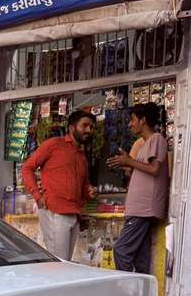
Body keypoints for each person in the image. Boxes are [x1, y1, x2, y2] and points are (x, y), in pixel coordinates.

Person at [21, 110, 97, 260]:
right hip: (55, 211)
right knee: (59, 263)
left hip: (74, 214)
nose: (89, 130)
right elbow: (27, 168)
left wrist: (90, 192)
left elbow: (84, 188)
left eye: (91, 127)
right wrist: (37, 195)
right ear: (72, 127)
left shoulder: (81, 156)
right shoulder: (53, 144)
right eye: (85, 126)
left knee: (64, 263)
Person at [107, 103, 169, 274]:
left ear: (143, 120)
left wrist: (129, 161)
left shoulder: (157, 139)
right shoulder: (143, 144)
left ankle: (129, 290)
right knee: (141, 259)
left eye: (132, 120)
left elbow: (154, 169)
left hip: (143, 209)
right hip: (138, 209)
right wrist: (126, 165)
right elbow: (142, 171)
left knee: (121, 250)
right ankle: (142, 295)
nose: (130, 124)